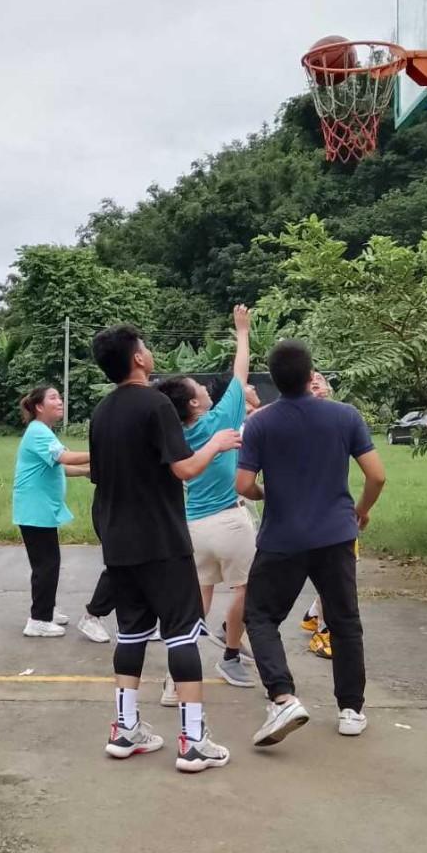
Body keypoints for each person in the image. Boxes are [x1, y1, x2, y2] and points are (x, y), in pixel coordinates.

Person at [88, 323, 241, 773]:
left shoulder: (101, 412)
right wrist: (217, 443)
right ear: (138, 358)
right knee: (182, 633)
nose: (149, 351)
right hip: (161, 540)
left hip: (118, 542)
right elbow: (184, 468)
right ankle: (193, 741)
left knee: (131, 633)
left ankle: (124, 728)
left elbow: (100, 474)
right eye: (145, 346)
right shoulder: (156, 404)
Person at [236, 339, 385, 749]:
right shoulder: (345, 415)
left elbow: (243, 484)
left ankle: (283, 696)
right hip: (336, 535)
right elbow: (377, 476)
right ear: (310, 374)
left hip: (282, 538)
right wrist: (361, 510)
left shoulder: (262, 423)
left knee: (261, 616)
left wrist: (267, 492)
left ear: (273, 380)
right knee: (344, 620)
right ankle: (351, 710)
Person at [153, 305, 257, 693]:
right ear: (194, 405)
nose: (204, 388)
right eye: (198, 387)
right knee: (245, 590)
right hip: (230, 521)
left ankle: (173, 679)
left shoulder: (176, 436)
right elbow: (240, 373)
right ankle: (230, 655)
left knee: (197, 601)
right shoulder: (219, 421)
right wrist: (242, 331)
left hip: (193, 526)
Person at [12, 386, 109, 642]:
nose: (60, 401)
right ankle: (38, 620)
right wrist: (103, 453)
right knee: (46, 564)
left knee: (46, 563)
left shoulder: (43, 431)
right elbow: (64, 457)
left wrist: (87, 471)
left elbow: (59, 467)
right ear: (39, 407)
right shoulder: (38, 431)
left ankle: (46, 609)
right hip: (34, 509)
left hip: (40, 509)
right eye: (53, 398)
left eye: (60, 397)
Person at [300, 370, 335, 661]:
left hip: (332, 507)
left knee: (336, 574)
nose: (315, 381)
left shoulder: (341, 418)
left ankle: (314, 614)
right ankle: (323, 630)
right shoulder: (293, 419)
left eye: (320, 379)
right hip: (302, 510)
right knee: (331, 575)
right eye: (310, 380)